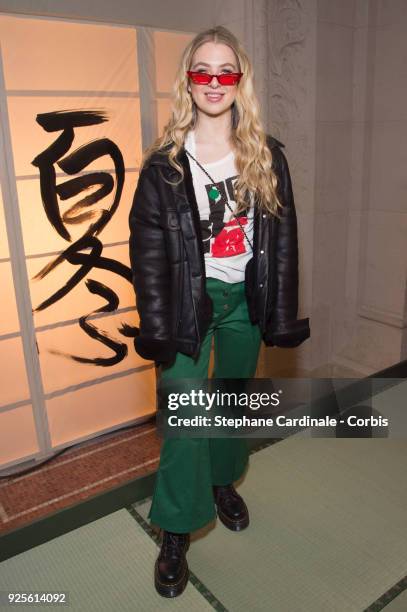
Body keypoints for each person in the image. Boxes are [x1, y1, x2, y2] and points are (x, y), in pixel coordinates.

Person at [128, 25, 310, 598]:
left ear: (240, 80)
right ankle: (176, 527)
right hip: (188, 304)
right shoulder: (164, 166)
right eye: (202, 71)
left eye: (224, 71)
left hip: (244, 303)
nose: (213, 82)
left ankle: (224, 482)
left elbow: (283, 246)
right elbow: (148, 253)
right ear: (189, 80)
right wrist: (159, 327)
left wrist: (279, 313)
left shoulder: (266, 155)